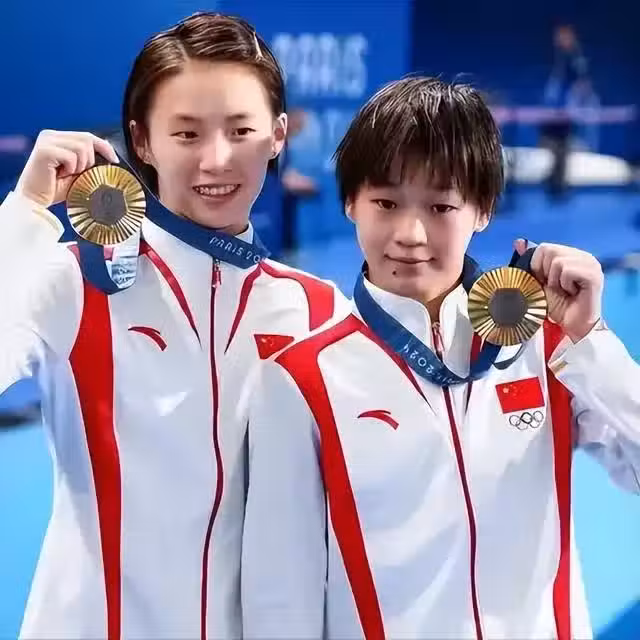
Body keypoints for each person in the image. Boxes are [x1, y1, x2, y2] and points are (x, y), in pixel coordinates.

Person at [241, 77, 640, 639]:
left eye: (440, 206)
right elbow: (280, 595)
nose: (410, 233)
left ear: (483, 210)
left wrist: (591, 341)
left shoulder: (548, 347)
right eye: (386, 203)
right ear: (351, 202)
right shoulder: (301, 379)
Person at [0, 12, 346, 639]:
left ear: (277, 135)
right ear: (142, 142)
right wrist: (23, 216)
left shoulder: (318, 312)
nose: (216, 159)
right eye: (186, 133)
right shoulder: (75, 283)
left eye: (241, 130)